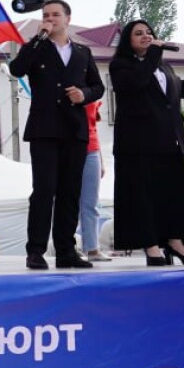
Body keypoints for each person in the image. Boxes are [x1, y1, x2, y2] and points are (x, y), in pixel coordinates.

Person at [109, 20, 184, 266]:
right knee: (144, 196)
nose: (146, 36)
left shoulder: (163, 66)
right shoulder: (121, 65)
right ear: (128, 41)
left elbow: (181, 89)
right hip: (138, 144)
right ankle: (151, 245)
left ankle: (175, 241)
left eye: (149, 32)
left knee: (173, 193)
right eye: (138, 33)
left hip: (169, 140)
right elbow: (136, 83)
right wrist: (154, 54)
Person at [8, 0, 103, 270]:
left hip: (74, 130)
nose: (50, 19)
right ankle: (36, 251)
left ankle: (66, 251)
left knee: (70, 192)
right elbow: (17, 69)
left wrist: (84, 94)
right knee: (44, 190)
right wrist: (37, 38)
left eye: (55, 15)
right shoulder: (36, 47)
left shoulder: (83, 52)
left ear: (67, 19)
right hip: (44, 129)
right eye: (46, 15)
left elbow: (98, 87)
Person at [78, 100, 108, 261]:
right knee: (68, 201)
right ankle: (68, 246)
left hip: (92, 149)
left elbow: (94, 126)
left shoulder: (93, 95)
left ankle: (92, 248)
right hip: (71, 147)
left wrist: (101, 160)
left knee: (91, 202)